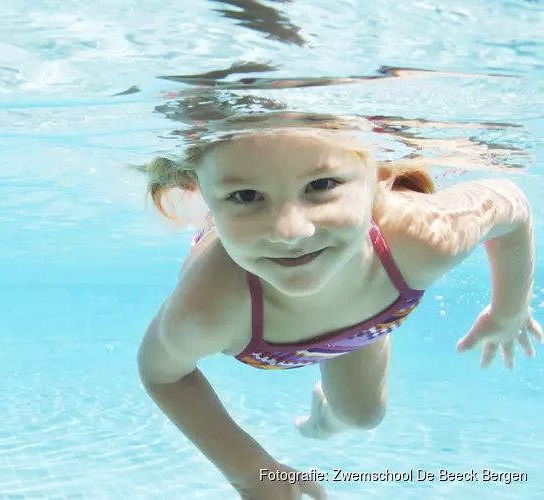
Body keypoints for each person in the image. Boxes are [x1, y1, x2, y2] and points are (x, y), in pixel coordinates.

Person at [133, 127, 541, 499]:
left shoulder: (423, 238)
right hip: (357, 308)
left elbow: (512, 204)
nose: (290, 231)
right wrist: (253, 475)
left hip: (368, 313)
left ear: (381, 173)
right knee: (364, 413)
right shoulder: (209, 307)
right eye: (244, 195)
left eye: (322, 185)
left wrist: (510, 308)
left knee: (363, 416)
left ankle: (325, 422)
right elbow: (163, 373)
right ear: (201, 192)